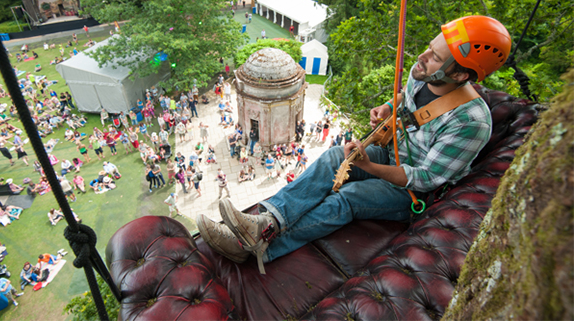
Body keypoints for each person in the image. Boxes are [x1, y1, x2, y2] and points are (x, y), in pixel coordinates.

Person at [196, 15, 512, 274]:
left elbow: (425, 178)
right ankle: (267, 221)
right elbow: (409, 100)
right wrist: (389, 108)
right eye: (430, 48)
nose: (423, 57)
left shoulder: (470, 123)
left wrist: (368, 167)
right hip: (391, 154)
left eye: (435, 58)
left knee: (349, 196)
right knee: (335, 157)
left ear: (458, 74)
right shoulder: (424, 75)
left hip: (411, 191)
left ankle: (257, 249)